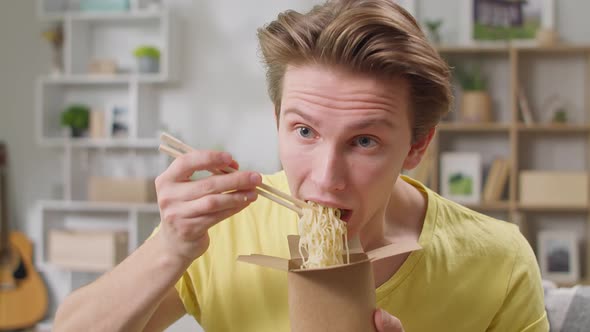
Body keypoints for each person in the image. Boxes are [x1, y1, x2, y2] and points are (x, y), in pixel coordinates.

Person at [54, 1, 549, 331]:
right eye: (305, 131)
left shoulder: (497, 261)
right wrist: (168, 248)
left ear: (418, 147)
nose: (325, 178)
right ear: (277, 121)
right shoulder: (223, 230)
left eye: (364, 140)